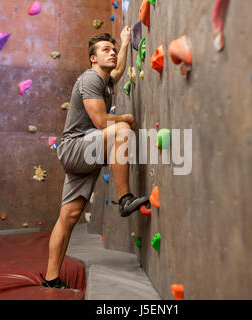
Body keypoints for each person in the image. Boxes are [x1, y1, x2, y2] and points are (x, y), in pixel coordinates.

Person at [41, 28, 149, 289]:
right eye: (105, 50)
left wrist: (123, 44)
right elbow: (101, 122)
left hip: (86, 149)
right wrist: (126, 118)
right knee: (121, 130)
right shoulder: (91, 79)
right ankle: (124, 199)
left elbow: (119, 69)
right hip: (76, 147)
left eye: (111, 50)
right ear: (92, 58)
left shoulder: (105, 80)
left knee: (70, 214)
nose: (110, 53)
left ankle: (51, 277)